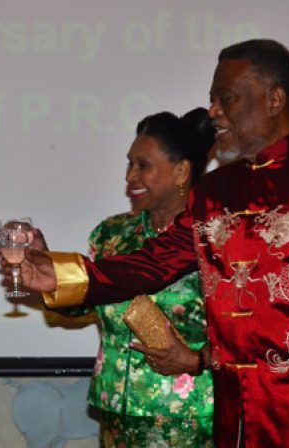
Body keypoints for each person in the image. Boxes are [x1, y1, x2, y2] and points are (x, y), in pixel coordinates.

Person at [17, 39, 289, 447]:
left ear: (274, 99)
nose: (213, 113)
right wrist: (61, 274)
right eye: (212, 100)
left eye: (225, 99)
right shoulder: (212, 192)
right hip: (237, 423)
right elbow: (154, 262)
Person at [85, 109, 215, 447]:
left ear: (181, 171)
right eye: (129, 164)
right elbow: (82, 301)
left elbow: (248, 330)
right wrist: (47, 268)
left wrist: (197, 358)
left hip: (189, 418)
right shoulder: (111, 234)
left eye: (144, 166)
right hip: (117, 413)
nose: (131, 176)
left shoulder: (214, 237)